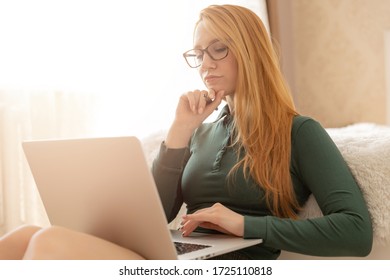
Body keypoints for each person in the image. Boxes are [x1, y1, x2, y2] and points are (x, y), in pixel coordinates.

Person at [0, 4, 372, 260]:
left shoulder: (299, 132)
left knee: (48, 243)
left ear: (251, 52)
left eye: (218, 49)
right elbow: (158, 214)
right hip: (177, 257)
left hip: (235, 265)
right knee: (18, 239)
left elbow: (357, 232)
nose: (205, 65)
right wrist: (178, 134)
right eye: (198, 54)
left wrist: (244, 224)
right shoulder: (201, 133)